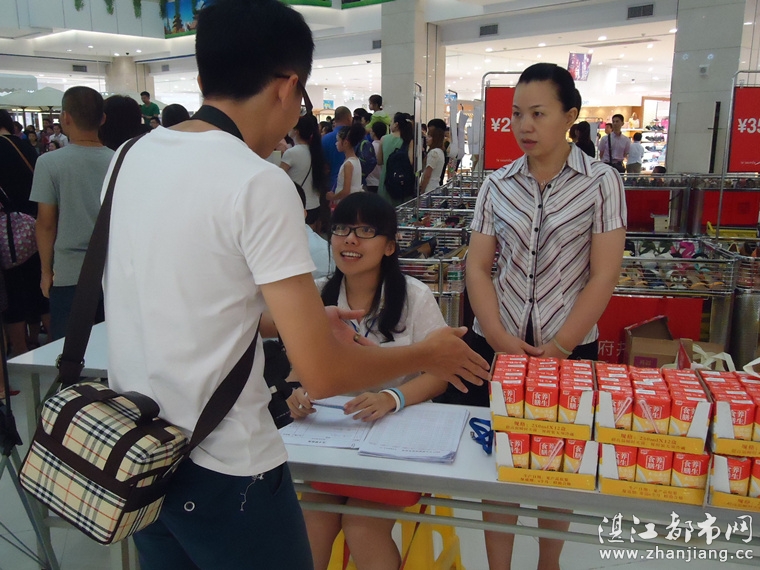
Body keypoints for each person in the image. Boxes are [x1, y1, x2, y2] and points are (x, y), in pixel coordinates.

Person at [101, 1, 489, 568]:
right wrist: (428, 354)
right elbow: (323, 372)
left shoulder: (128, 158)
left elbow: (177, 302)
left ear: (205, 76)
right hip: (226, 467)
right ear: (288, 86)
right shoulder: (257, 182)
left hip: (141, 455)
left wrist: (285, 322)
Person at [439, 62, 625, 570]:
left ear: (570, 115)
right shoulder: (496, 184)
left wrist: (562, 346)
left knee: (557, 463)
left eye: (538, 113)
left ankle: (549, 562)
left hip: (568, 348)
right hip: (497, 345)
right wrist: (497, 335)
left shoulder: (602, 183)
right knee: (499, 462)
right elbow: (478, 267)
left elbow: (604, 274)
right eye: (517, 113)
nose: (524, 125)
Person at [287, 192, 450, 570]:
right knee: (312, 523)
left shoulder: (415, 296)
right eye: (342, 229)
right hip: (335, 436)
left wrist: (392, 397)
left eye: (365, 231)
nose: (350, 239)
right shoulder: (318, 294)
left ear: (390, 245)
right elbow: (299, 367)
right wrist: (297, 392)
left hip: (397, 435)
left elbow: (440, 374)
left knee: (362, 527)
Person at [30, 86, 114, 341]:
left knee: (70, 350)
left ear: (65, 117)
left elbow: (46, 223)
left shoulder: (49, 163)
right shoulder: (119, 160)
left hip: (68, 272)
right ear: (102, 119)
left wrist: (46, 272)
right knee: (111, 346)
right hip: (113, 271)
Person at [0, 110, 50, 355]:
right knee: (40, 286)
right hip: (34, 225)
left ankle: (20, 349)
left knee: (13, 291)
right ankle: (51, 340)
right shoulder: (25, 147)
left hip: (7, 230)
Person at [281, 114, 326, 230]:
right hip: (314, 204)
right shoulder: (316, 151)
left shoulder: (291, 153)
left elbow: (279, 177)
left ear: (297, 131)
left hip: (297, 204)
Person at [377, 112, 414, 205]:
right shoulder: (409, 141)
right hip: (402, 183)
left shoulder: (384, 139)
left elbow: (379, 161)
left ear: (396, 124)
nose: (390, 124)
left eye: (391, 122)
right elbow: (411, 162)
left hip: (386, 181)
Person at [326, 124, 365, 202]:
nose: (336, 143)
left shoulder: (348, 164)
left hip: (347, 203)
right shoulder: (356, 160)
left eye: (338, 141)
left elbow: (346, 191)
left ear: (345, 143)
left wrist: (332, 197)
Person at [322, 106, 352, 191]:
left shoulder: (325, 139)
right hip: (353, 184)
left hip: (331, 184)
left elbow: (322, 163)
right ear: (349, 118)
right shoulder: (356, 137)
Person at [420, 123, 445, 193]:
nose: (426, 138)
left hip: (429, 189)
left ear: (436, 139)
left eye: (430, 136)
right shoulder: (440, 152)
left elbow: (427, 175)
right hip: (435, 187)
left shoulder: (434, 153)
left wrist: (422, 190)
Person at [364, 121, 385, 193]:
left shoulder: (370, 147)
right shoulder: (385, 146)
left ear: (374, 133)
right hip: (382, 181)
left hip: (370, 181)